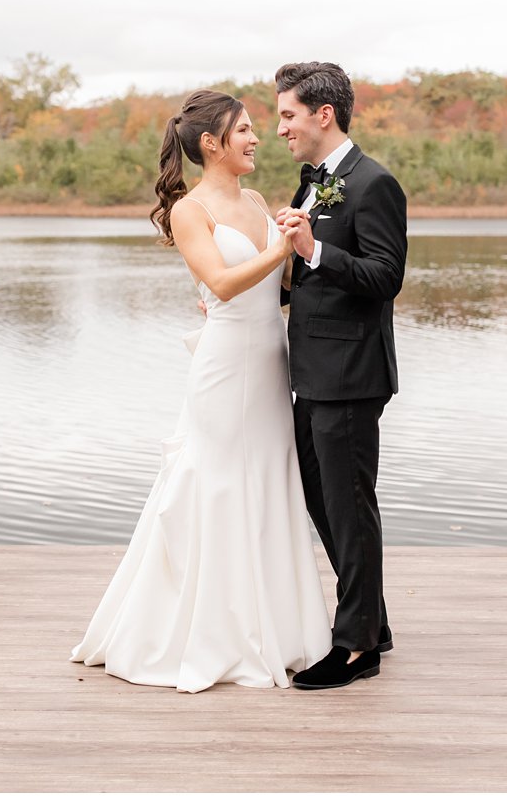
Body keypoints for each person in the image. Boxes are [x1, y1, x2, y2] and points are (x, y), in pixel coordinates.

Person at [70, 88, 331, 692]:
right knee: (216, 484)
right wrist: (278, 247)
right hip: (223, 367)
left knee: (268, 482)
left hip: (270, 360)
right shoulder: (190, 210)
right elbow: (222, 280)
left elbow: (283, 279)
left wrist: (302, 243)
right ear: (211, 144)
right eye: (243, 130)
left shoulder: (262, 199)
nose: (257, 138)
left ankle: (278, 631)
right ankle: (211, 634)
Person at [273, 61, 407, 691]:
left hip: (352, 373)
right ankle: (371, 621)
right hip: (312, 372)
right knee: (323, 501)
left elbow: (385, 278)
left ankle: (354, 646)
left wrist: (315, 252)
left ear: (323, 115)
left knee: (351, 508)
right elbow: (307, 277)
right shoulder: (315, 183)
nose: (280, 129)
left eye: (288, 115)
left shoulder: (373, 183)